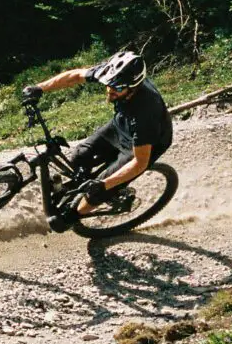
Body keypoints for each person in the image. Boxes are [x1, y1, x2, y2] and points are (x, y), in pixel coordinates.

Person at [20, 50, 172, 230]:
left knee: (98, 191)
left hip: (144, 145)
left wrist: (103, 184)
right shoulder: (114, 75)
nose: (110, 90)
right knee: (79, 156)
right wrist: (40, 88)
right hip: (121, 125)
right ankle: (82, 187)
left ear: (133, 87)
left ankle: (74, 215)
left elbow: (140, 162)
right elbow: (74, 76)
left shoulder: (145, 111)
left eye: (117, 88)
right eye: (109, 84)